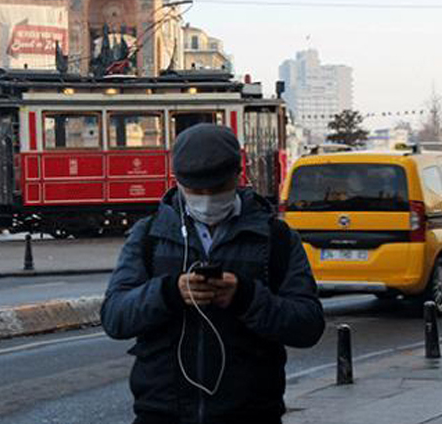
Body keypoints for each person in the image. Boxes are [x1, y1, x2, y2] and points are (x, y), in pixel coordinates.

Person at [101, 124, 325, 424]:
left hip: (251, 414)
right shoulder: (149, 235)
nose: (206, 199)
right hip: (162, 413)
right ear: (178, 181)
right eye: (196, 190)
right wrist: (169, 293)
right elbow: (115, 317)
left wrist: (245, 297)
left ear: (237, 175)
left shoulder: (276, 238)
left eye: (217, 189)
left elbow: (308, 324)